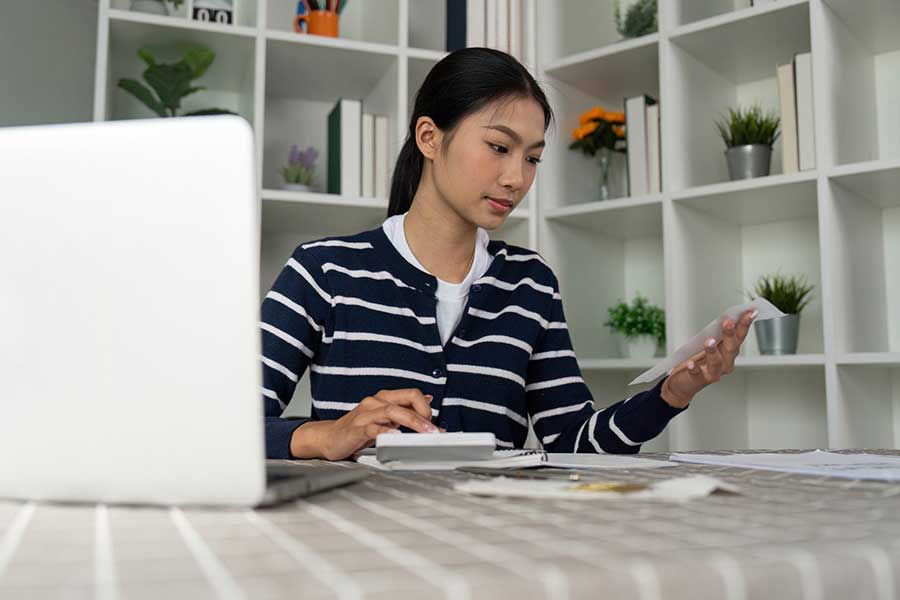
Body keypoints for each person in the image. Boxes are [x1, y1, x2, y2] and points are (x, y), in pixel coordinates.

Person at [259, 47, 757, 460]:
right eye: (499, 147)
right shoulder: (323, 270)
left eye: (533, 157)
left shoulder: (530, 283)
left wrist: (671, 394)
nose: (517, 178)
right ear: (430, 137)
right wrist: (326, 435)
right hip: (365, 546)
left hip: (495, 549)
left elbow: (573, 445)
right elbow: (221, 426)